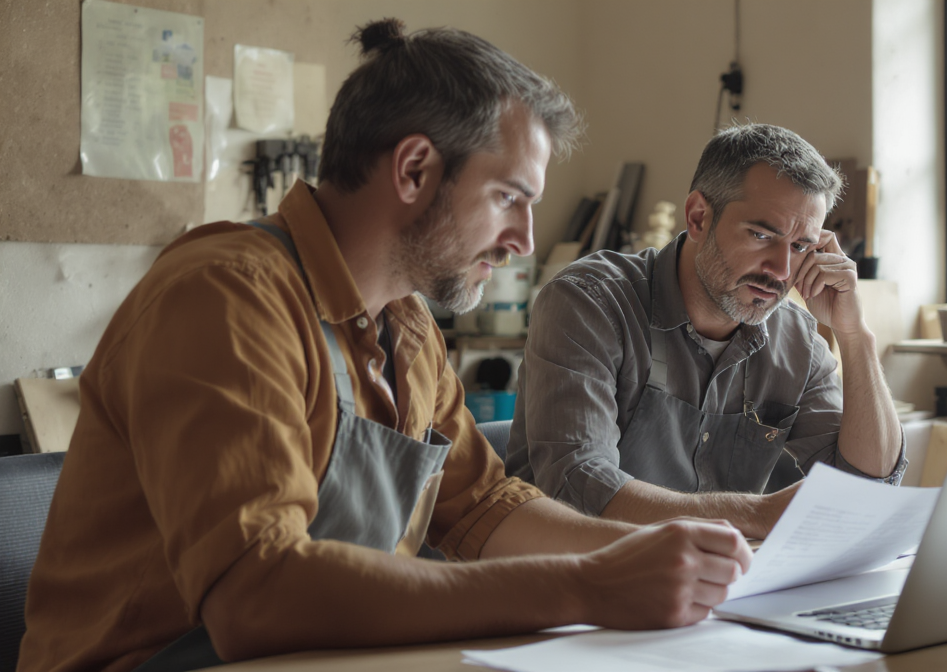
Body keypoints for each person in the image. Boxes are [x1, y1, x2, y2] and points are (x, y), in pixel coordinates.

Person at [20, 20, 751, 672]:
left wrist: (639, 557)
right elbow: (256, 595)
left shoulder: (407, 324)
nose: (524, 240)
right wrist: (588, 585)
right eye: (510, 198)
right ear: (413, 170)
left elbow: (481, 507)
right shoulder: (227, 296)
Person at [508, 124, 906, 538]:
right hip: (572, 581)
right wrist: (754, 514)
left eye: (801, 246)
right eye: (761, 235)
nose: (782, 271)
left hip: (710, 585)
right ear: (699, 217)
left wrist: (854, 334)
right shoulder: (589, 302)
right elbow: (578, 484)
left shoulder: (797, 340)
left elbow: (868, 485)